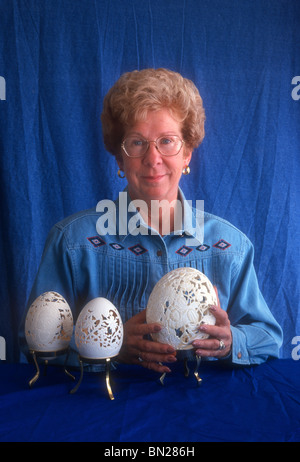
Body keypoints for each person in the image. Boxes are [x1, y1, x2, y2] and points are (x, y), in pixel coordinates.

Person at [20, 68, 283, 374]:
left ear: (187, 154)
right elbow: (34, 345)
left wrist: (230, 342)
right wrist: (109, 348)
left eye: (167, 141)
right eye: (137, 142)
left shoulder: (231, 247)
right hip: (103, 410)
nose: (153, 158)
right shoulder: (72, 243)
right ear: (119, 158)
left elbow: (267, 339)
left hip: (203, 411)